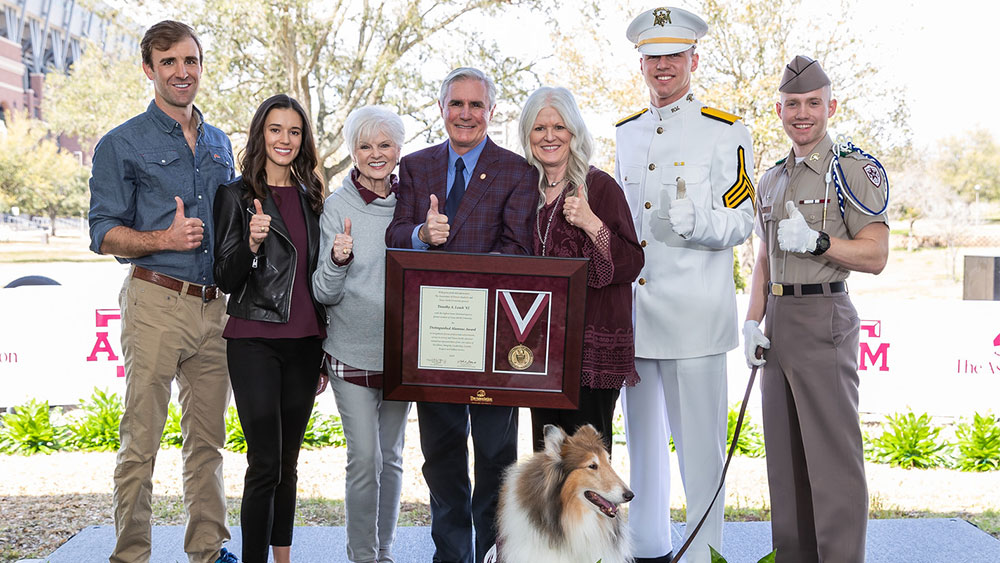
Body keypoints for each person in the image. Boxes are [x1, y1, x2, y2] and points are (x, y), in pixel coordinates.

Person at [87, 20, 239, 563]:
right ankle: (131, 554)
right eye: (169, 62)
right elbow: (102, 231)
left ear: (201, 66)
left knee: (208, 443)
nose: (182, 72)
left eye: (190, 61)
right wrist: (162, 238)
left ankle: (208, 549)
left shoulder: (221, 142)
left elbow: (231, 222)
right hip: (155, 301)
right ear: (149, 69)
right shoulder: (121, 143)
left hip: (213, 307)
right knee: (141, 441)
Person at [615, 7, 756, 563]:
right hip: (638, 316)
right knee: (642, 451)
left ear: (693, 60)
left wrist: (701, 224)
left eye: (675, 55)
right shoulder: (626, 133)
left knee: (700, 455)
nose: (664, 66)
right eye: (654, 57)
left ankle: (704, 554)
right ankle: (647, 548)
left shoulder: (726, 130)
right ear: (642, 65)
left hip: (696, 319)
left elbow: (743, 219)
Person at [385, 67, 536, 563]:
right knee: (443, 458)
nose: (465, 114)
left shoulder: (516, 171)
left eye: (476, 105)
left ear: (491, 112)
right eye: (457, 104)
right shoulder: (415, 166)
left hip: (493, 344)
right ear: (441, 108)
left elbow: (518, 253)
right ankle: (451, 557)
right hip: (435, 340)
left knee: (495, 456)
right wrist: (420, 237)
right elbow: (394, 236)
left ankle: (494, 555)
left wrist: (464, 276)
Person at [743, 55, 889, 563]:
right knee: (785, 466)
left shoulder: (852, 169)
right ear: (779, 109)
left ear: (831, 106)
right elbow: (764, 256)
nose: (801, 114)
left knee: (833, 467)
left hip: (824, 317)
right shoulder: (771, 178)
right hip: (778, 324)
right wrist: (751, 322)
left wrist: (821, 241)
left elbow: (876, 254)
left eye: (812, 104)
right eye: (791, 105)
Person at [213, 94, 327, 563]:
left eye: (294, 131)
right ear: (261, 133)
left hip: (304, 344)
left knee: (289, 463)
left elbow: (317, 278)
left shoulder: (312, 196)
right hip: (254, 340)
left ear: (303, 141)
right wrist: (253, 244)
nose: (285, 139)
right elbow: (225, 277)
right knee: (264, 464)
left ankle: (283, 558)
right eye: (276, 129)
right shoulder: (235, 195)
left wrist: (322, 346)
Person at [517, 86, 643, 453]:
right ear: (528, 135)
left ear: (574, 132)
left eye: (559, 126)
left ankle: (596, 514)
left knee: (589, 461)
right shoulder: (522, 190)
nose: (550, 136)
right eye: (539, 128)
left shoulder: (600, 187)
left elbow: (632, 261)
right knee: (550, 459)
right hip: (537, 350)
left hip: (592, 350)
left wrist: (591, 222)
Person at [312, 105, 410, 563]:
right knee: (365, 459)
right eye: (365, 146)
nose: (376, 154)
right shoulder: (336, 206)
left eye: (384, 145)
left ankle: (384, 552)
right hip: (350, 351)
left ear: (397, 150)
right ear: (352, 151)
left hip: (401, 355)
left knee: (391, 459)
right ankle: (362, 556)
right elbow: (322, 291)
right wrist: (337, 259)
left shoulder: (413, 202)